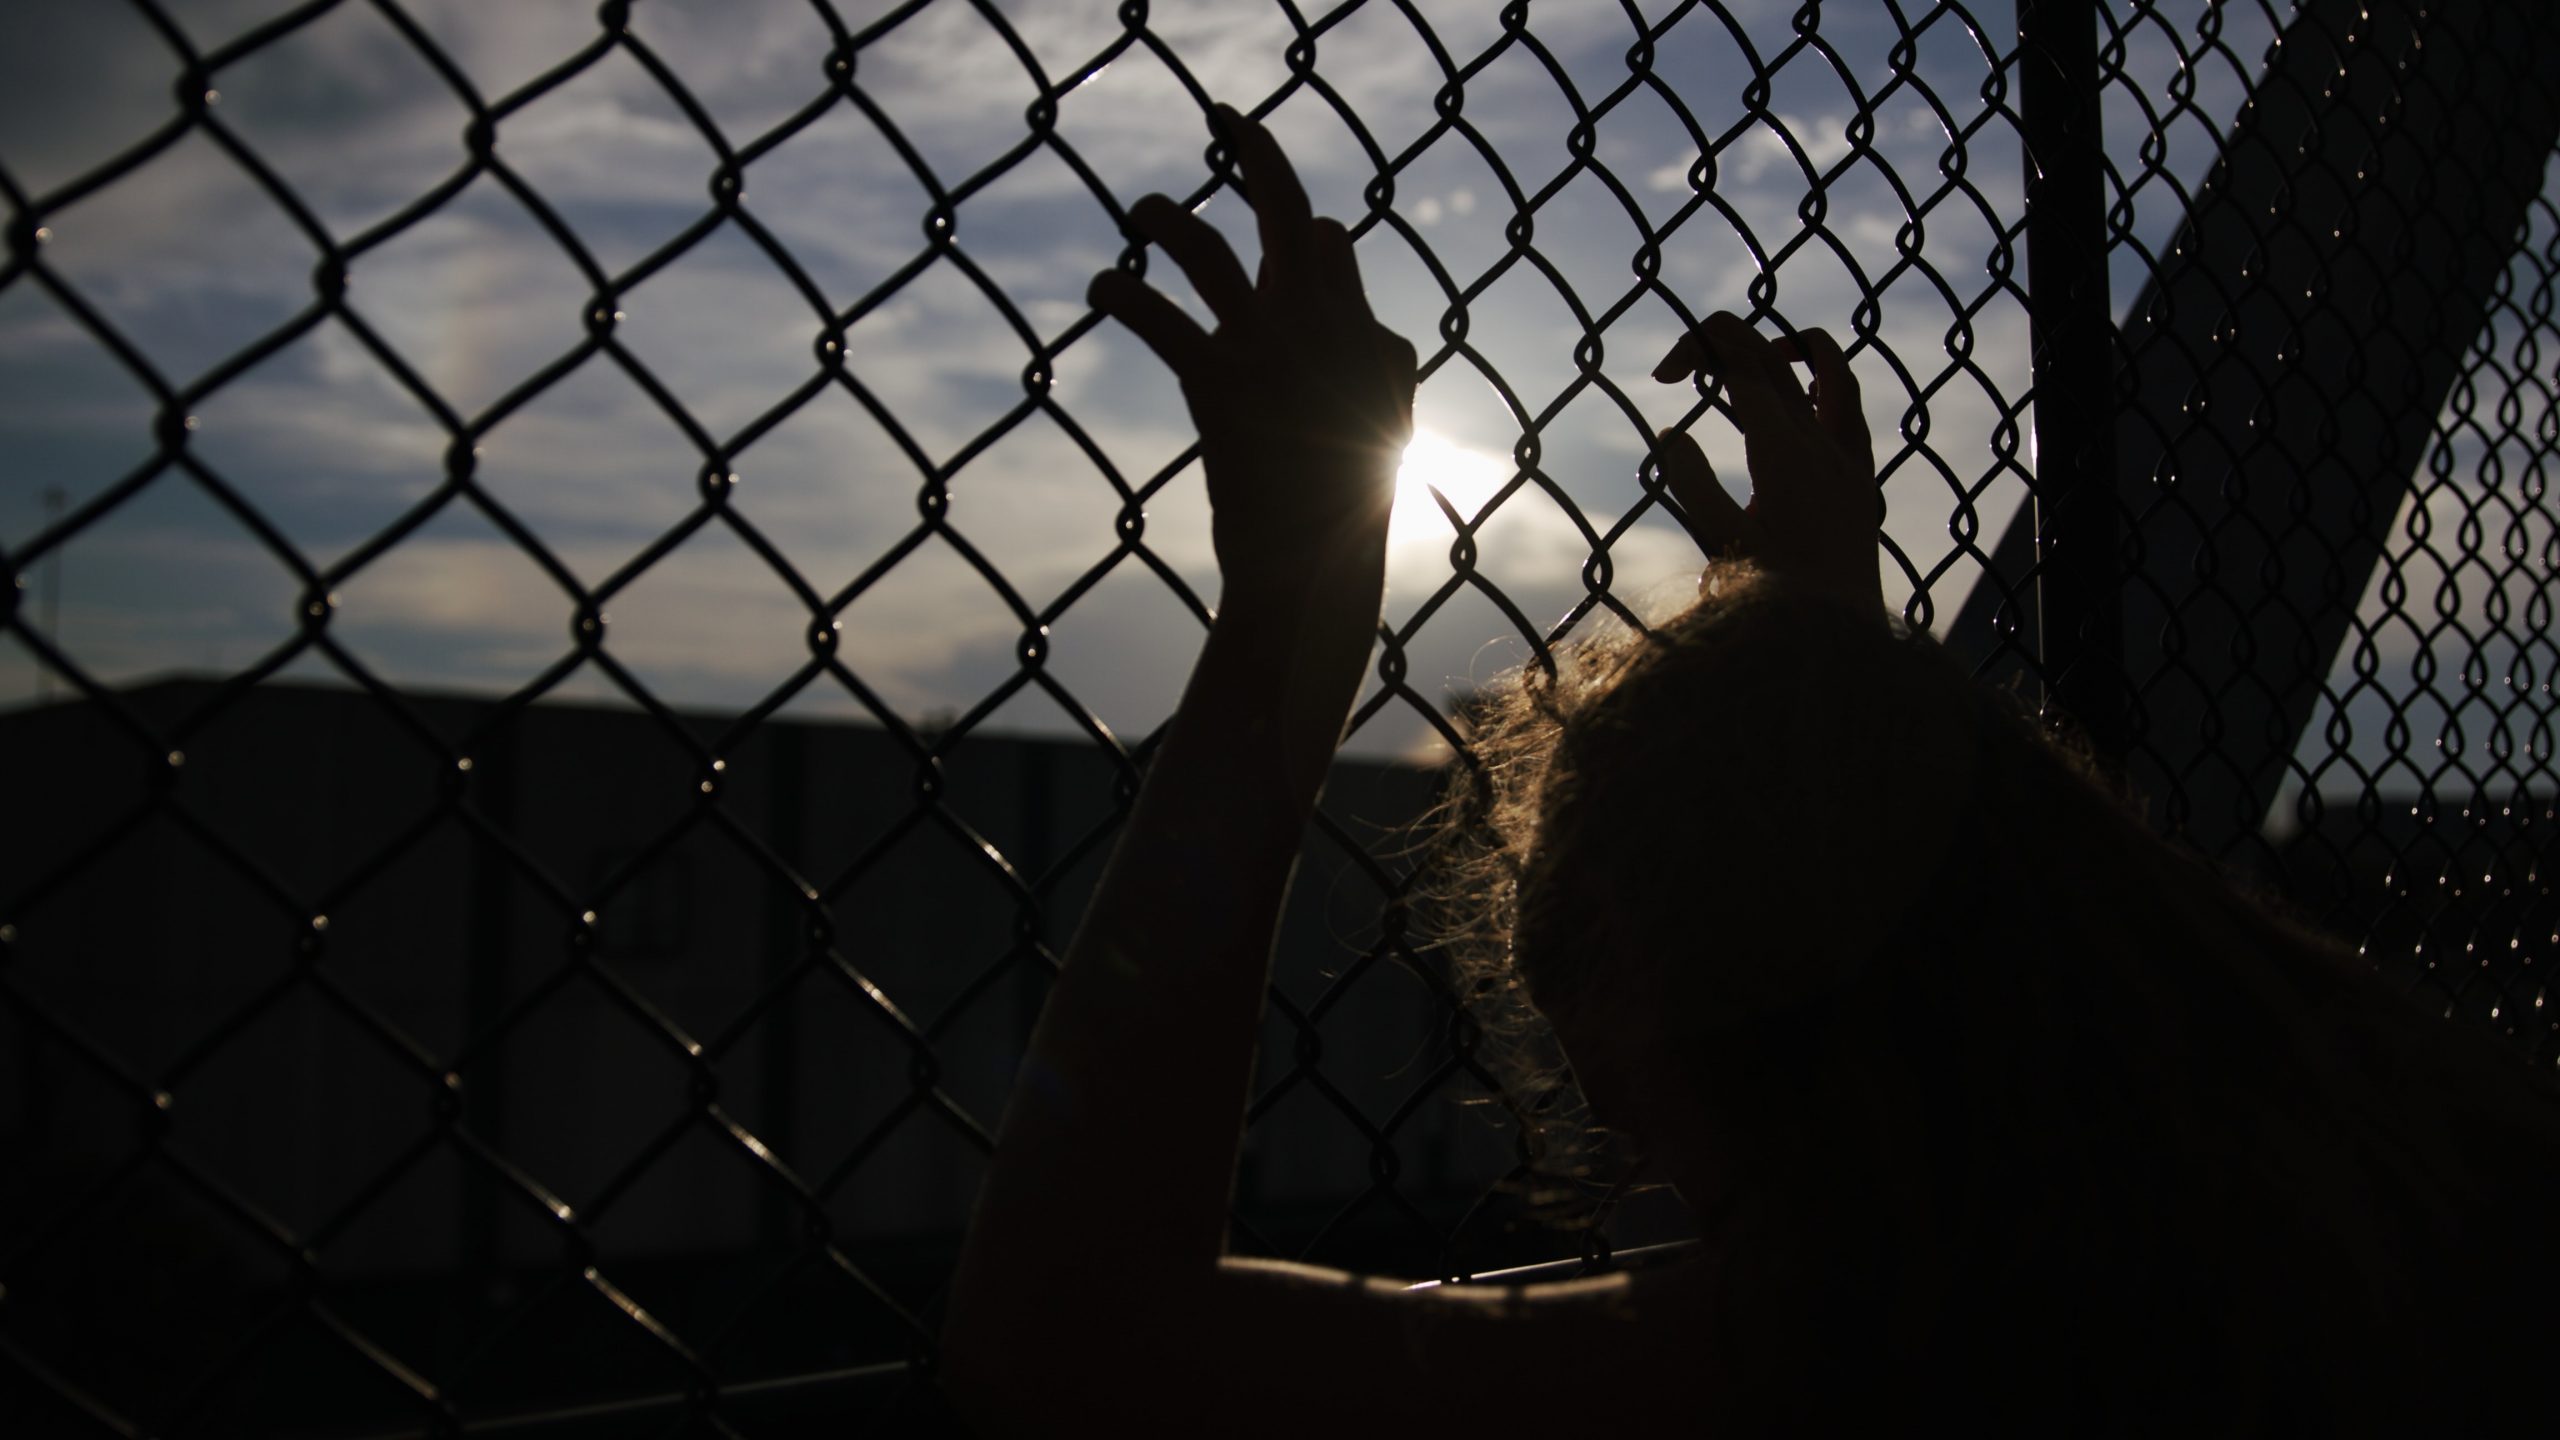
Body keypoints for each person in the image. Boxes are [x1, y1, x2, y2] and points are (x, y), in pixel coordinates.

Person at [938, 106, 2560, 1434]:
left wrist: (1289, 622)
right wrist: (1832, 674)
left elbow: (1077, 1350)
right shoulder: (2385, 1159)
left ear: (1742, 1029)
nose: (1651, 1175)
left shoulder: (1914, 1338)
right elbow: (1872, 892)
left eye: (1654, 1113)